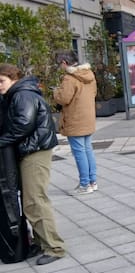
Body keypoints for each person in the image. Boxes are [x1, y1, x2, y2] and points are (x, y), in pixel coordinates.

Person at [0, 64, 64, 266]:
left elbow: (23, 124)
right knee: (31, 200)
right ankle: (40, 242)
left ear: (13, 78)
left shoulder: (22, 95)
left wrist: (1, 141)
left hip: (35, 151)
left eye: (1, 81)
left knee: (35, 200)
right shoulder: (19, 93)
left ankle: (54, 247)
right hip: (31, 149)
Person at [53, 50, 98, 195]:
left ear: (64, 63)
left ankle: (85, 184)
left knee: (79, 152)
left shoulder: (69, 78)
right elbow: (94, 93)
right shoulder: (89, 74)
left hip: (75, 119)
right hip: (88, 117)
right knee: (87, 149)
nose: (60, 67)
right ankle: (93, 181)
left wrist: (56, 92)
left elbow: (63, 99)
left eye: (59, 64)